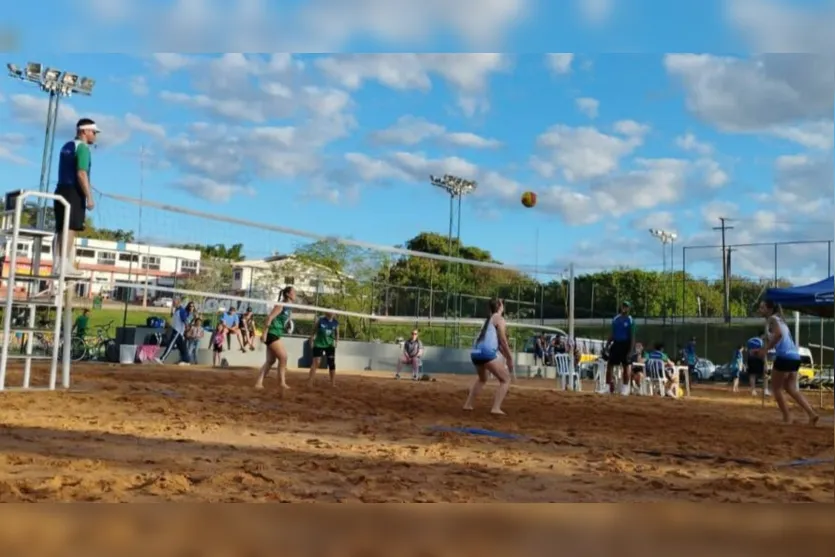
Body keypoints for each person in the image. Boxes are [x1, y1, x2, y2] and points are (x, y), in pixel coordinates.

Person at [755, 300, 818, 426]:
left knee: (776, 388)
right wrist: (763, 348)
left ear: (769, 309)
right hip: (795, 356)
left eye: (762, 307)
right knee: (790, 388)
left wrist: (765, 350)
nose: (760, 310)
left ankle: (787, 417)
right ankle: (811, 413)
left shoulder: (772, 319)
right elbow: (780, 338)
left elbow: (778, 336)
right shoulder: (780, 320)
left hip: (784, 357)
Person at [53, 118, 99, 277]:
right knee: (70, 228)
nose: (95, 135)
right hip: (73, 192)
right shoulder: (83, 148)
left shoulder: (66, 146)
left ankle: (58, 263)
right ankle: (63, 264)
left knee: (61, 229)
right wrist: (89, 197)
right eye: (93, 132)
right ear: (85, 131)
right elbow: (81, 173)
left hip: (60, 189)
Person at [463, 298, 514, 415]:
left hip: (475, 352)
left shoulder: (487, 321)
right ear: (500, 306)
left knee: (482, 379)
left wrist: (506, 355)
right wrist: (510, 358)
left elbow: (498, 344)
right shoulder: (499, 319)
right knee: (505, 379)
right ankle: (496, 408)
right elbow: (503, 340)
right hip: (486, 352)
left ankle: (468, 404)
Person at [255, 286, 295, 391]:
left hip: (276, 333)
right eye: (293, 292)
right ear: (287, 294)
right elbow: (269, 317)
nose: (295, 294)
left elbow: (281, 320)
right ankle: (281, 382)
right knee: (283, 357)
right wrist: (264, 333)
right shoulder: (281, 305)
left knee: (270, 360)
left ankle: (259, 383)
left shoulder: (289, 307)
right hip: (271, 333)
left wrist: (287, 326)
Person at [605, 301, 635, 396]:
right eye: (623, 306)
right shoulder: (615, 319)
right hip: (616, 343)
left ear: (629, 308)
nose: (624, 308)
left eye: (626, 306)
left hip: (626, 344)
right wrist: (607, 345)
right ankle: (607, 387)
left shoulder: (630, 320)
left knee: (626, 366)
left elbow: (632, 336)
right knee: (610, 365)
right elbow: (612, 334)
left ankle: (625, 388)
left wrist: (630, 350)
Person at [307, 311, 339, 386]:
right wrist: (311, 340)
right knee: (316, 362)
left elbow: (337, 333)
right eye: (331, 311)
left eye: (333, 311)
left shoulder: (335, 322)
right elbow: (313, 331)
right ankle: (310, 382)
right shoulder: (320, 320)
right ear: (326, 312)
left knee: (331, 363)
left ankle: (333, 383)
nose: (332, 312)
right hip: (319, 344)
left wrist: (336, 342)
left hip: (330, 345)